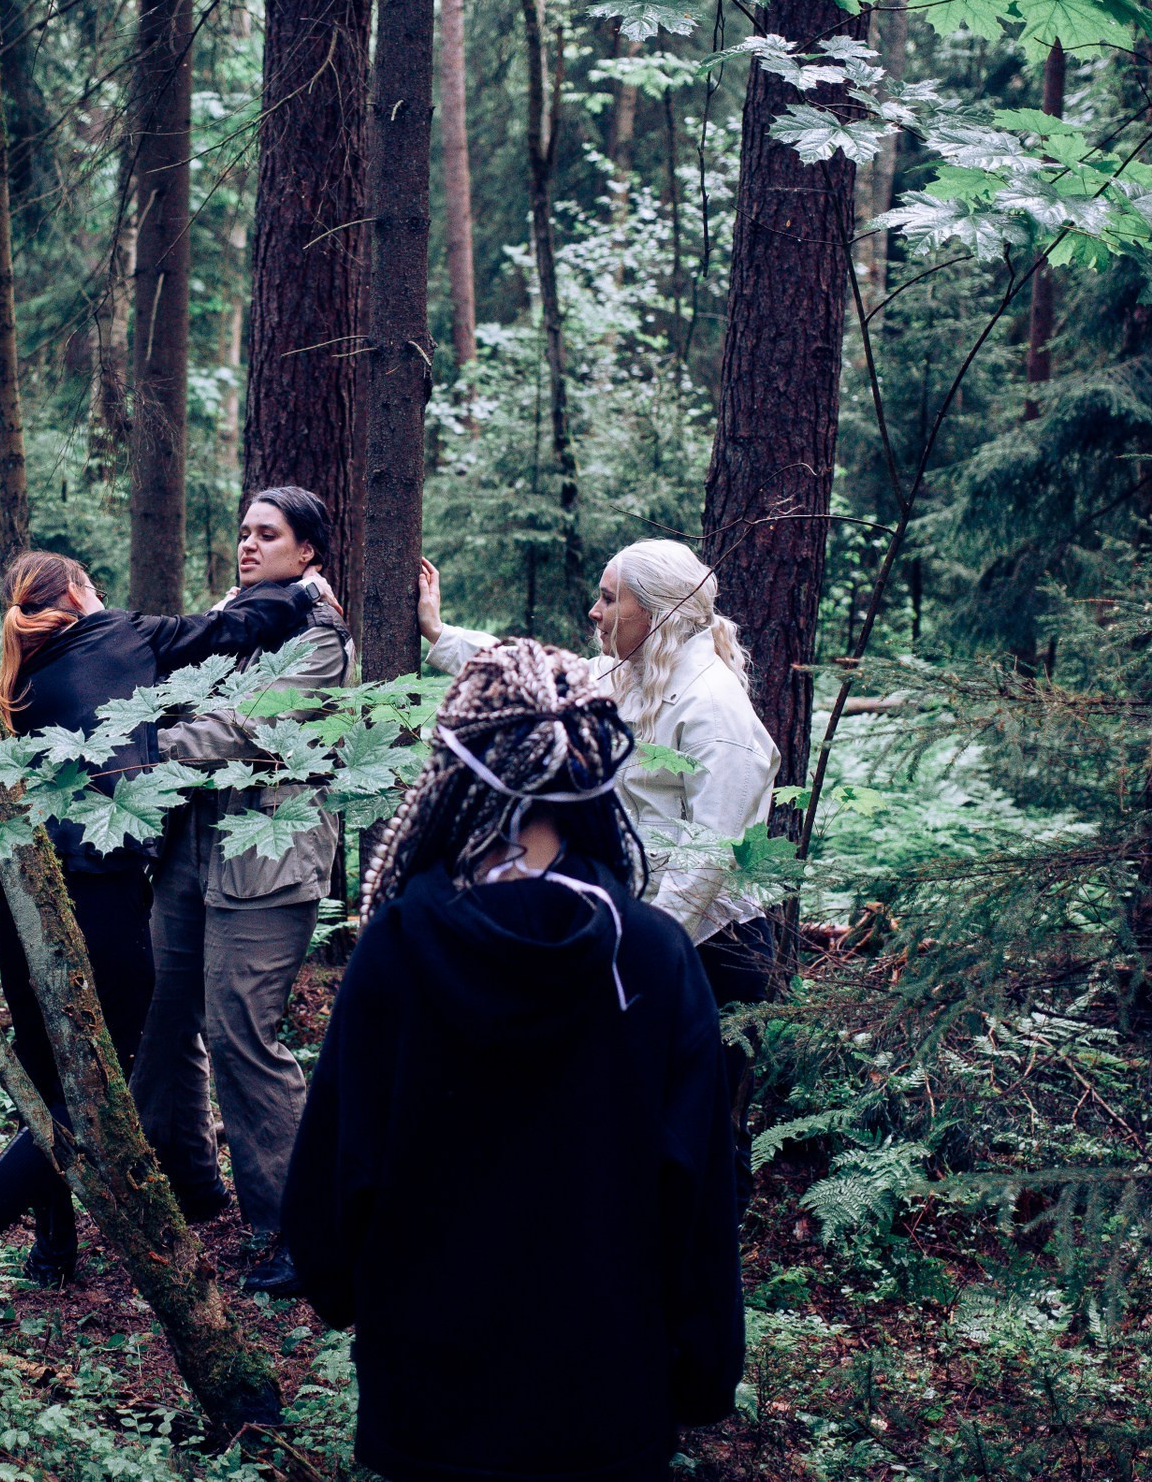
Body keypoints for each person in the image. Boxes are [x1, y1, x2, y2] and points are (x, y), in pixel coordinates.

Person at [282, 637, 745, 1482]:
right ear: (589, 765)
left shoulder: (396, 946)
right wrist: (704, 1366)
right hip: (607, 1397)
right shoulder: (654, 954)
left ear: (458, 765)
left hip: (427, 1396)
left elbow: (333, 1171)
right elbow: (700, 1194)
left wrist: (345, 1292)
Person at [0, 549, 327, 1284]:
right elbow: (234, 628)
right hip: (101, 898)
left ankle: (54, 1250)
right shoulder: (120, 634)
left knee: (42, 1075)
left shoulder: (15, 678)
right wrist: (304, 592)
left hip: (20, 893)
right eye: (93, 583)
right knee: (95, 1088)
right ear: (78, 592)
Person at [133, 486, 353, 1295]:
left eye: (269, 533)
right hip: (190, 843)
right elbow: (174, 682)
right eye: (244, 531)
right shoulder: (232, 616)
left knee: (241, 1033)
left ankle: (297, 1229)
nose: (249, 544)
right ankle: (188, 1183)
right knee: (162, 1016)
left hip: (267, 855)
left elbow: (248, 728)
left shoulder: (320, 637)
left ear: (307, 551)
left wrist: (143, 746)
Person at [420, 539, 782, 1006]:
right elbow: (534, 674)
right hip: (640, 931)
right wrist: (439, 633)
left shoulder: (712, 705)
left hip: (710, 951)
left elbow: (709, 854)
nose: (595, 611)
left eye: (610, 599)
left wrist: (644, 947)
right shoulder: (629, 674)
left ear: (656, 611)